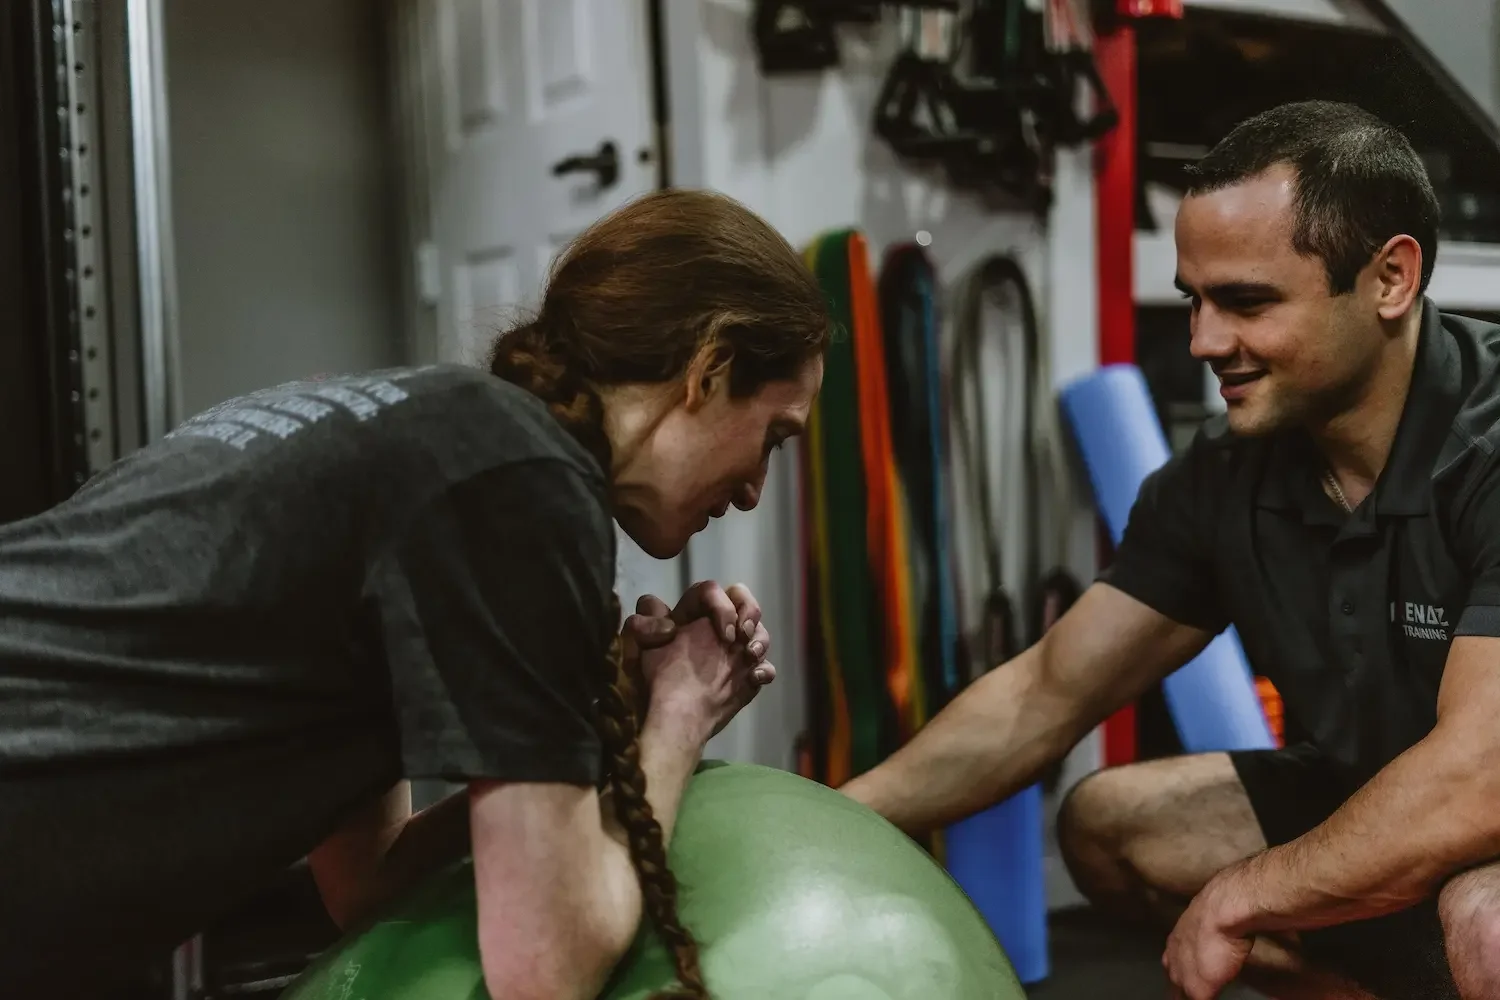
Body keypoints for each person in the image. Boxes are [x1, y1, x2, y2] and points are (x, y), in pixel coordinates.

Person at [0, 188, 830, 999]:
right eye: (774, 437)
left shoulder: (436, 443)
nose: (756, 489)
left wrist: (600, 709)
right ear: (709, 365)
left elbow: (368, 880)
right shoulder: (521, 480)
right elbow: (545, 969)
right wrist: (679, 717)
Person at [842, 100, 1500, 1000]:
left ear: (1389, 279)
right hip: (1380, 790)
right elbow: (1044, 692)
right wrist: (831, 818)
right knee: (1112, 823)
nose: (1204, 342)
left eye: (1248, 302)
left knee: (1487, 918)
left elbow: (1478, 780)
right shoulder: (1227, 478)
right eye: (1195, 300)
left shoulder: (1489, 446)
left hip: (1490, 815)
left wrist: (1243, 896)